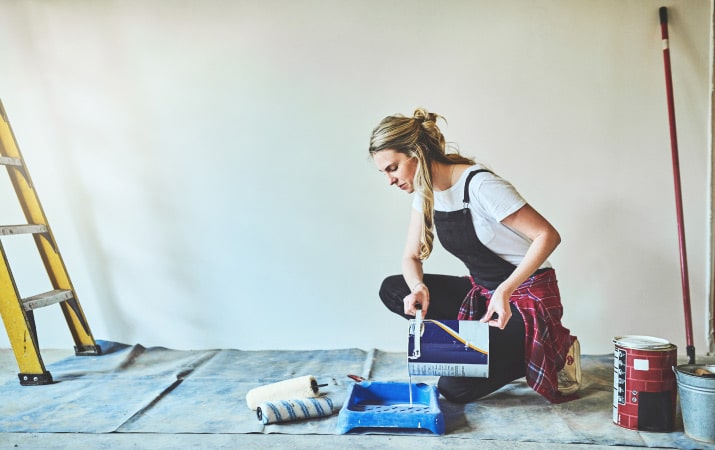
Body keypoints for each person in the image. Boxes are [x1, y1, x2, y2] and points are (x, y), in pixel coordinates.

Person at [369, 108, 581, 404]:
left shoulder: (480, 186)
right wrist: (418, 287)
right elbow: (410, 257)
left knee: (454, 388)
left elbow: (547, 236)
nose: (390, 180)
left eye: (392, 168)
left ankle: (552, 349)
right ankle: (483, 345)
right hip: (483, 295)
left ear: (416, 153)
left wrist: (505, 291)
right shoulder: (425, 192)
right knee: (393, 288)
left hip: (525, 302)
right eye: (384, 172)